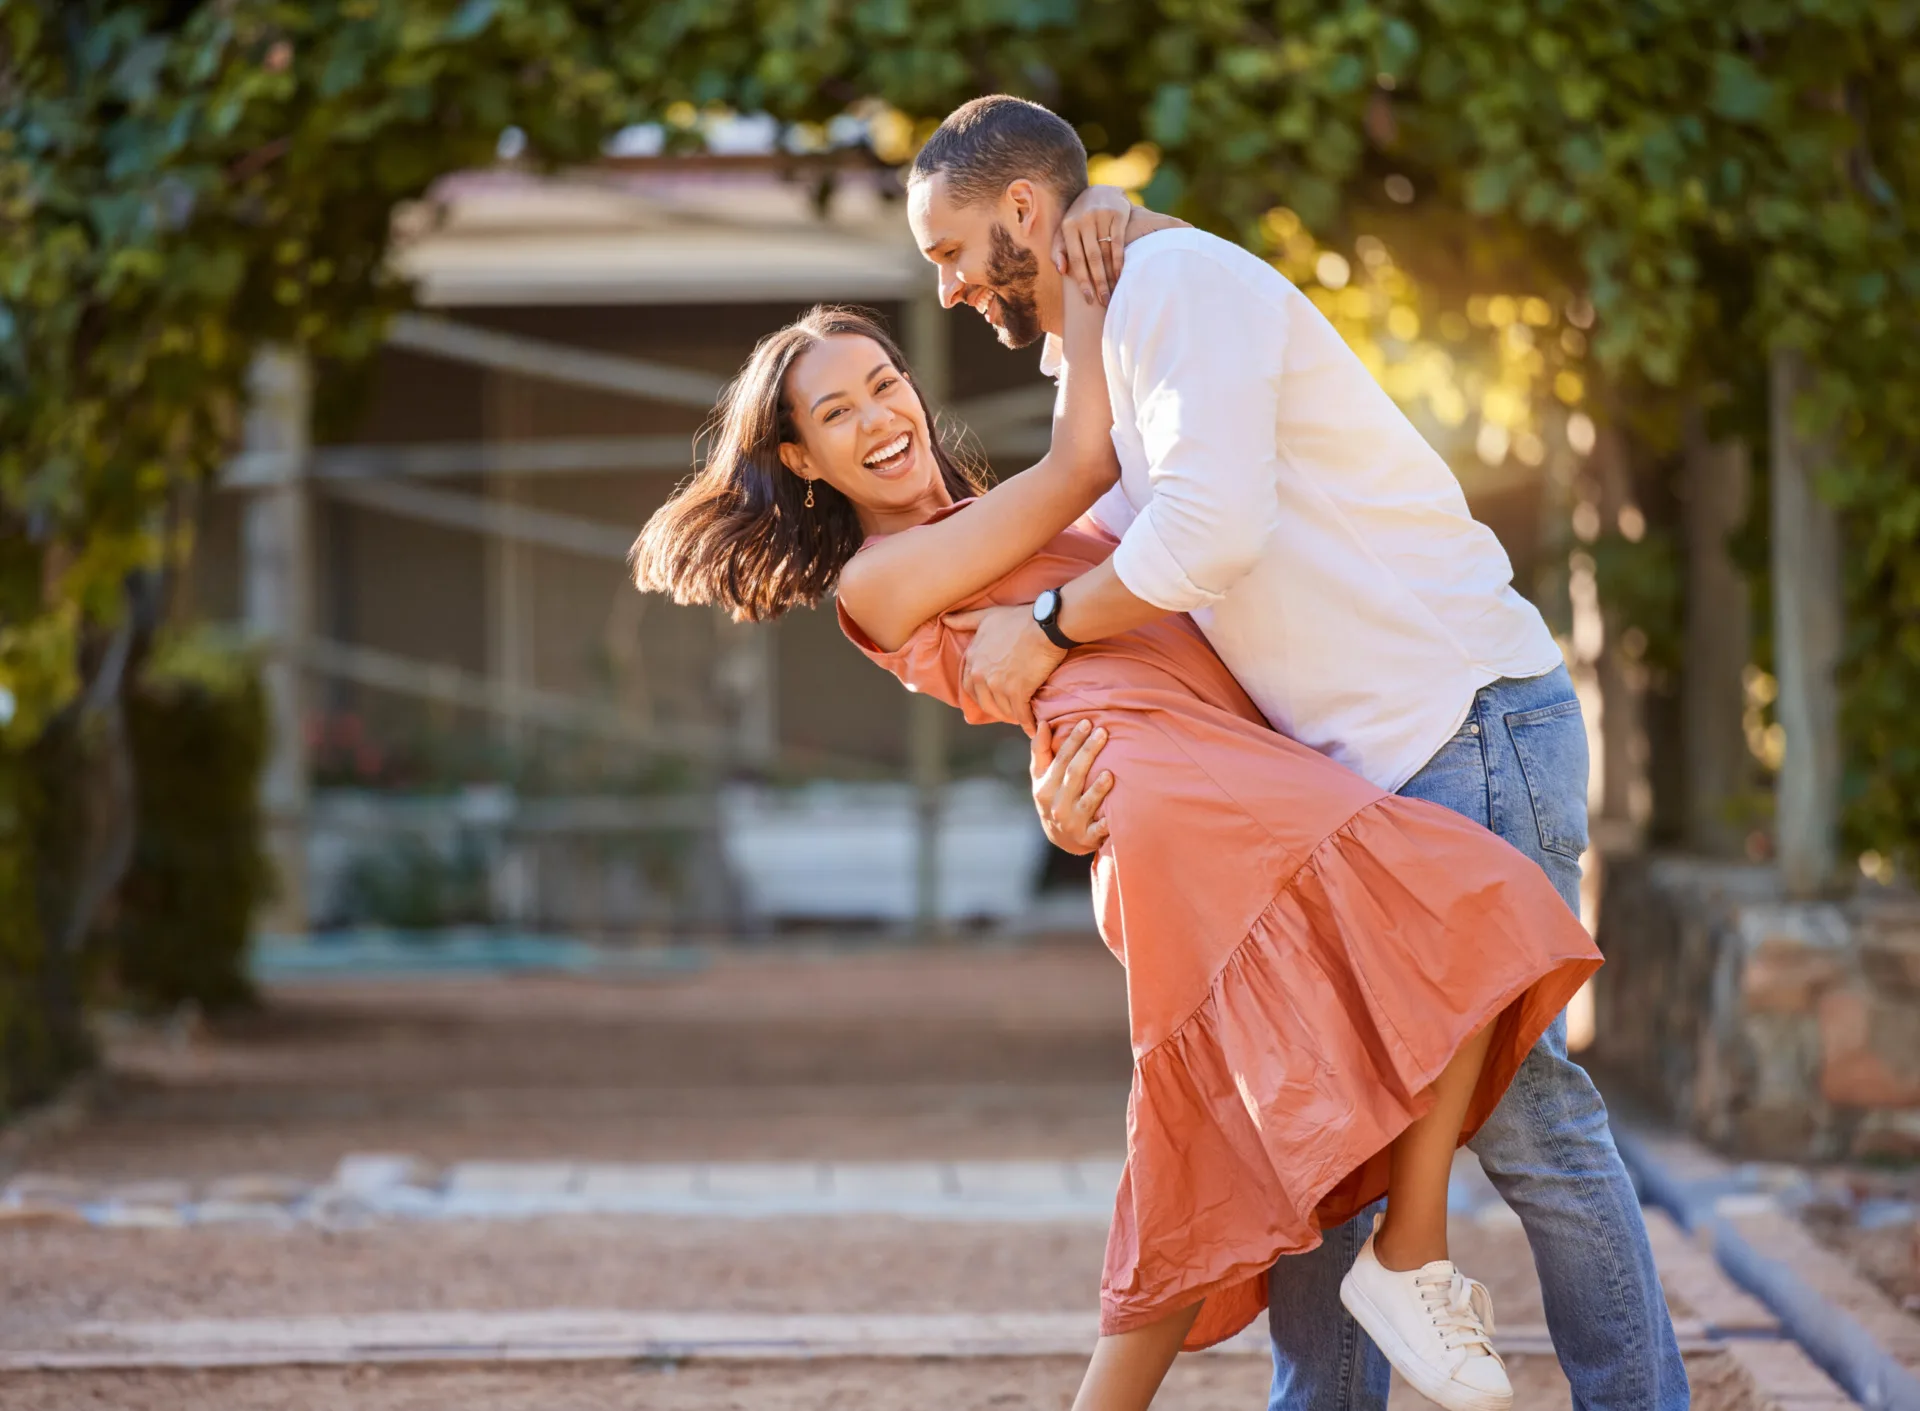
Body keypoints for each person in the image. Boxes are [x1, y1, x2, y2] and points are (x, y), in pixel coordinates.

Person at [630, 282, 1601, 1411]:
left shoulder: (995, 518)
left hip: (1202, 776)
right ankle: (1409, 1253)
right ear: (802, 460)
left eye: (884, 383)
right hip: (1170, 791)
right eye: (836, 414)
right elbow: (1083, 465)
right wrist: (1089, 282)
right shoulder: (878, 578)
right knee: (1475, 909)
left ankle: (1391, 1265)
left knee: (1233, 1123)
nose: (877, 417)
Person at [903, 94, 1690, 1410]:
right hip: (1334, 777)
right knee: (1322, 1124)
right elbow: (1142, 612)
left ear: (1025, 212)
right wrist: (1071, 771)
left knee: (1532, 1119)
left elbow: (1206, 533)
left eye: (952, 248)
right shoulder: (1097, 349)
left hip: (1460, 719)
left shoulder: (1179, 288)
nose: (945, 281)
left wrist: (1038, 630)